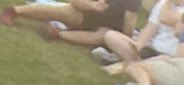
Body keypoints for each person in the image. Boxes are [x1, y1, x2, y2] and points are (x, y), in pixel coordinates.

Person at [1, 0, 136, 49]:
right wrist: (92, 5)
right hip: (84, 15)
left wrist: (124, 41)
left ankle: (57, 34)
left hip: (107, 27)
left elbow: (129, 21)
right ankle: (13, 11)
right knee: (63, 11)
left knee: (104, 35)